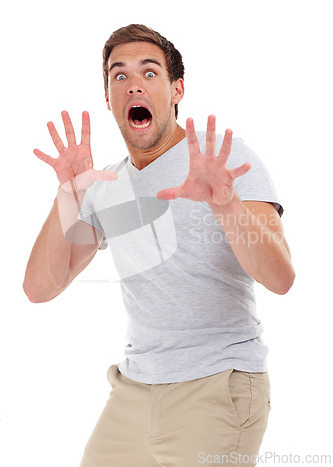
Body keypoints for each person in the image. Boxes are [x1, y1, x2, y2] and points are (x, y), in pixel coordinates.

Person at [23, 24, 295, 467]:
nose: (133, 84)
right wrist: (68, 195)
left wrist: (225, 203)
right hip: (133, 390)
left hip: (216, 386)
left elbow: (281, 277)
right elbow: (39, 288)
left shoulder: (222, 161)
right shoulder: (105, 187)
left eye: (150, 73)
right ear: (109, 97)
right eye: (119, 76)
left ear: (176, 90)